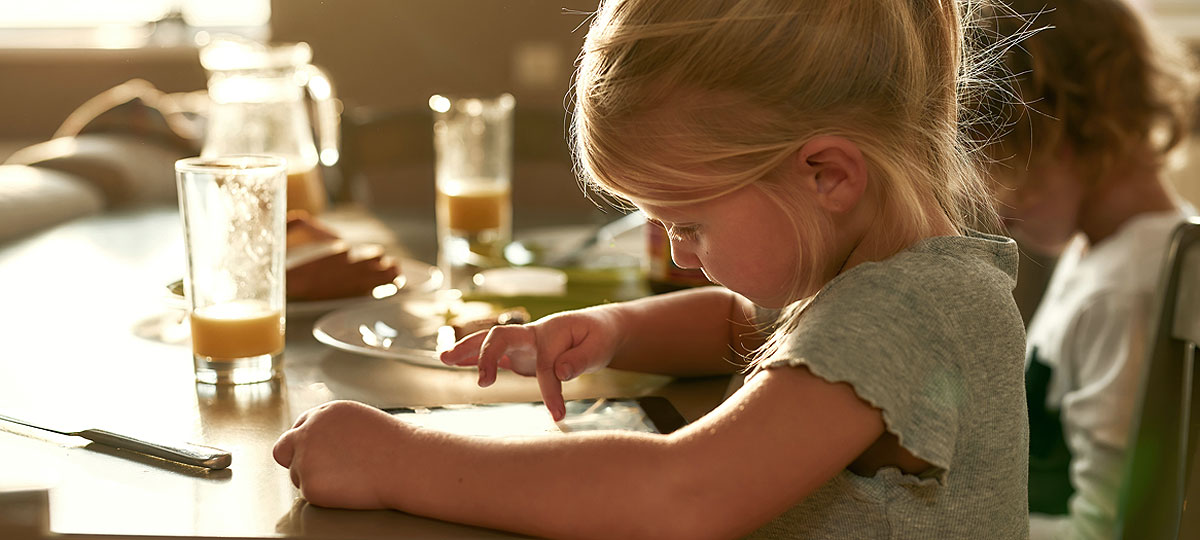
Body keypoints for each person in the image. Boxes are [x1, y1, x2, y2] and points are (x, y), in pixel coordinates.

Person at [273, 1, 1030, 537]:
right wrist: (610, 332)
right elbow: (740, 323)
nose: (676, 252)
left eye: (689, 222)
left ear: (826, 175)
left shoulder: (909, 310)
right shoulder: (881, 272)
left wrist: (392, 459)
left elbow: (680, 496)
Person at [980, 1, 1199, 538]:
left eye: (1004, 158)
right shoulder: (1102, 253)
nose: (995, 203)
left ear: (1077, 119)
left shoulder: (1126, 287)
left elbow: (1109, 527)